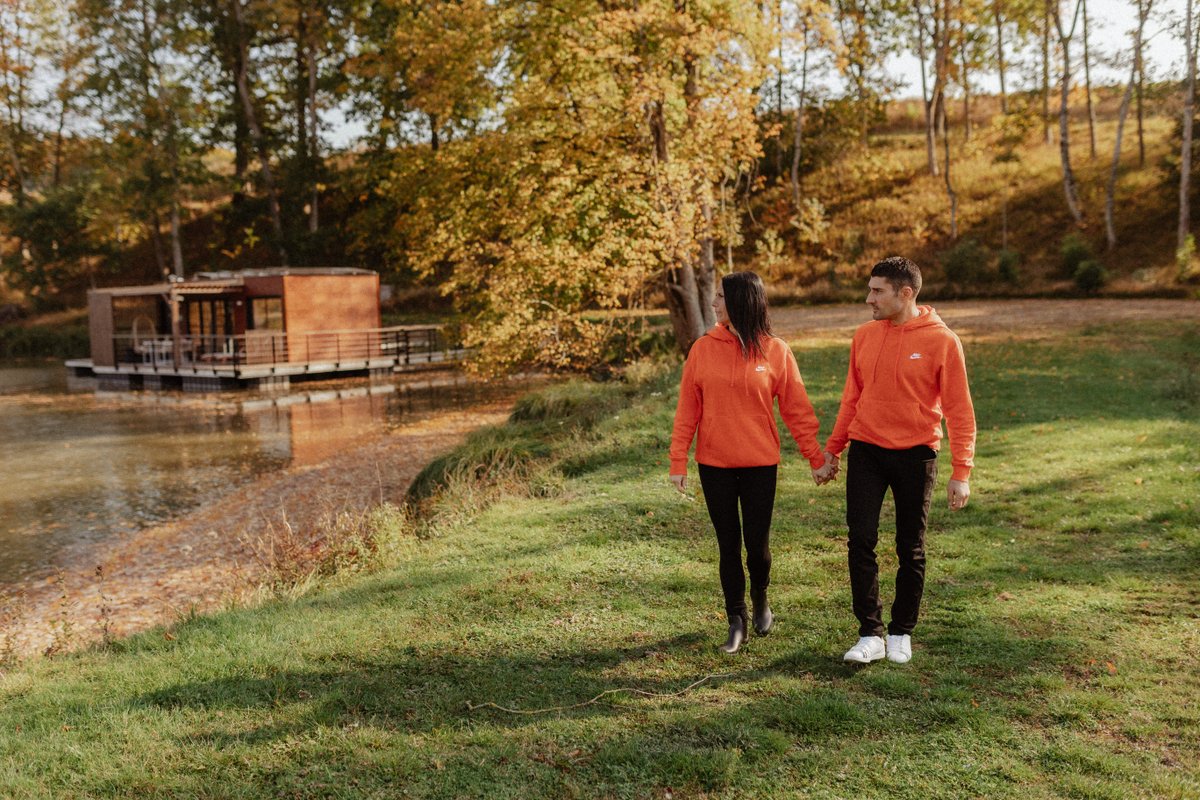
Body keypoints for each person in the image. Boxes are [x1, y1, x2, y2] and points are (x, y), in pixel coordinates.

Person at [670, 271, 835, 654]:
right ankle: (736, 620)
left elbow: (797, 411)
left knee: (756, 546)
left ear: (743, 302)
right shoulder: (702, 349)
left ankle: (761, 597)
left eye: (721, 298)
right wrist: (678, 460)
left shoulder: (775, 351)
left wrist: (815, 457)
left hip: (760, 464)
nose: (713, 305)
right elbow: (686, 410)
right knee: (727, 545)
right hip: (714, 465)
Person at [822, 256, 976, 665]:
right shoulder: (864, 336)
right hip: (867, 451)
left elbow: (960, 410)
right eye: (869, 289)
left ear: (905, 293)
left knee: (911, 547)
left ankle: (900, 632)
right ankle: (869, 633)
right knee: (861, 541)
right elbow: (851, 398)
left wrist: (962, 471)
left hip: (916, 453)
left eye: (877, 291)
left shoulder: (943, 341)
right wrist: (833, 448)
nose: (868, 298)